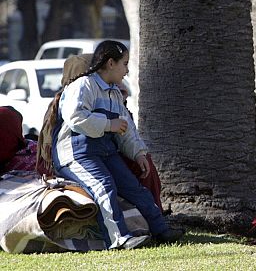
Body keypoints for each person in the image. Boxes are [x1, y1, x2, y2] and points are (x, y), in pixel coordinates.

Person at [51, 40, 182, 250]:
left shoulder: (113, 92)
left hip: (105, 152)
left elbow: (126, 129)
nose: (127, 70)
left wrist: (138, 153)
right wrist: (108, 124)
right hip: (76, 154)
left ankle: (162, 229)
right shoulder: (83, 85)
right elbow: (75, 117)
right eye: (125, 64)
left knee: (134, 188)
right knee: (104, 186)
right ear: (111, 63)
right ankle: (119, 239)